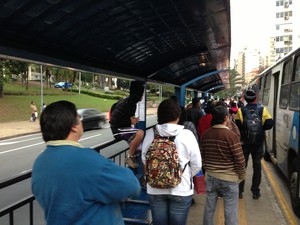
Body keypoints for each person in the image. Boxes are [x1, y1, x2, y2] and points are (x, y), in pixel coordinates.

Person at [31, 101, 140, 225]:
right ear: (74, 126)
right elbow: (132, 186)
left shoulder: (40, 162)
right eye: (79, 118)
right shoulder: (88, 160)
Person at [142, 99, 202, 225]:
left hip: (155, 187)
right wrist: (180, 175)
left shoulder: (150, 134)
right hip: (181, 188)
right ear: (178, 115)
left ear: (159, 116)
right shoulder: (187, 134)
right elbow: (197, 165)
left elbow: (144, 159)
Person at [201, 105, 245, 225]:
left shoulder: (205, 135)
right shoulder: (231, 136)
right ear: (226, 117)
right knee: (230, 211)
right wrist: (241, 175)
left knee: (209, 209)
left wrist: (209, 169)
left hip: (211, 177)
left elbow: (203, 157)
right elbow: (240, 159)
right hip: (229, 179)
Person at [235, 89, 273, 199]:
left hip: (245, 144)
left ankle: (240, 191)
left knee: (243, 166)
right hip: (258, 144)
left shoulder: (240, 111)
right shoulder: (263, 109)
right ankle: (255, 192)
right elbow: (270, 124)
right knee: (257, 167)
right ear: (255, 97)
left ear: (245, 99)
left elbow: (238, 126)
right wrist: (260, 129)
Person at [110, 81, 145, 168]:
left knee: (141, 146)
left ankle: (133, 158)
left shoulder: (132, 104)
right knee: (140, 133)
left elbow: (127, 118)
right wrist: (130, 122)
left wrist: (132, 120)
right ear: (138, 93)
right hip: (118, 130)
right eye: (142, 93)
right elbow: (114, 121)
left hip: (124, 128)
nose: (142, 96)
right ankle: (130, 157)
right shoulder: (126, 103)